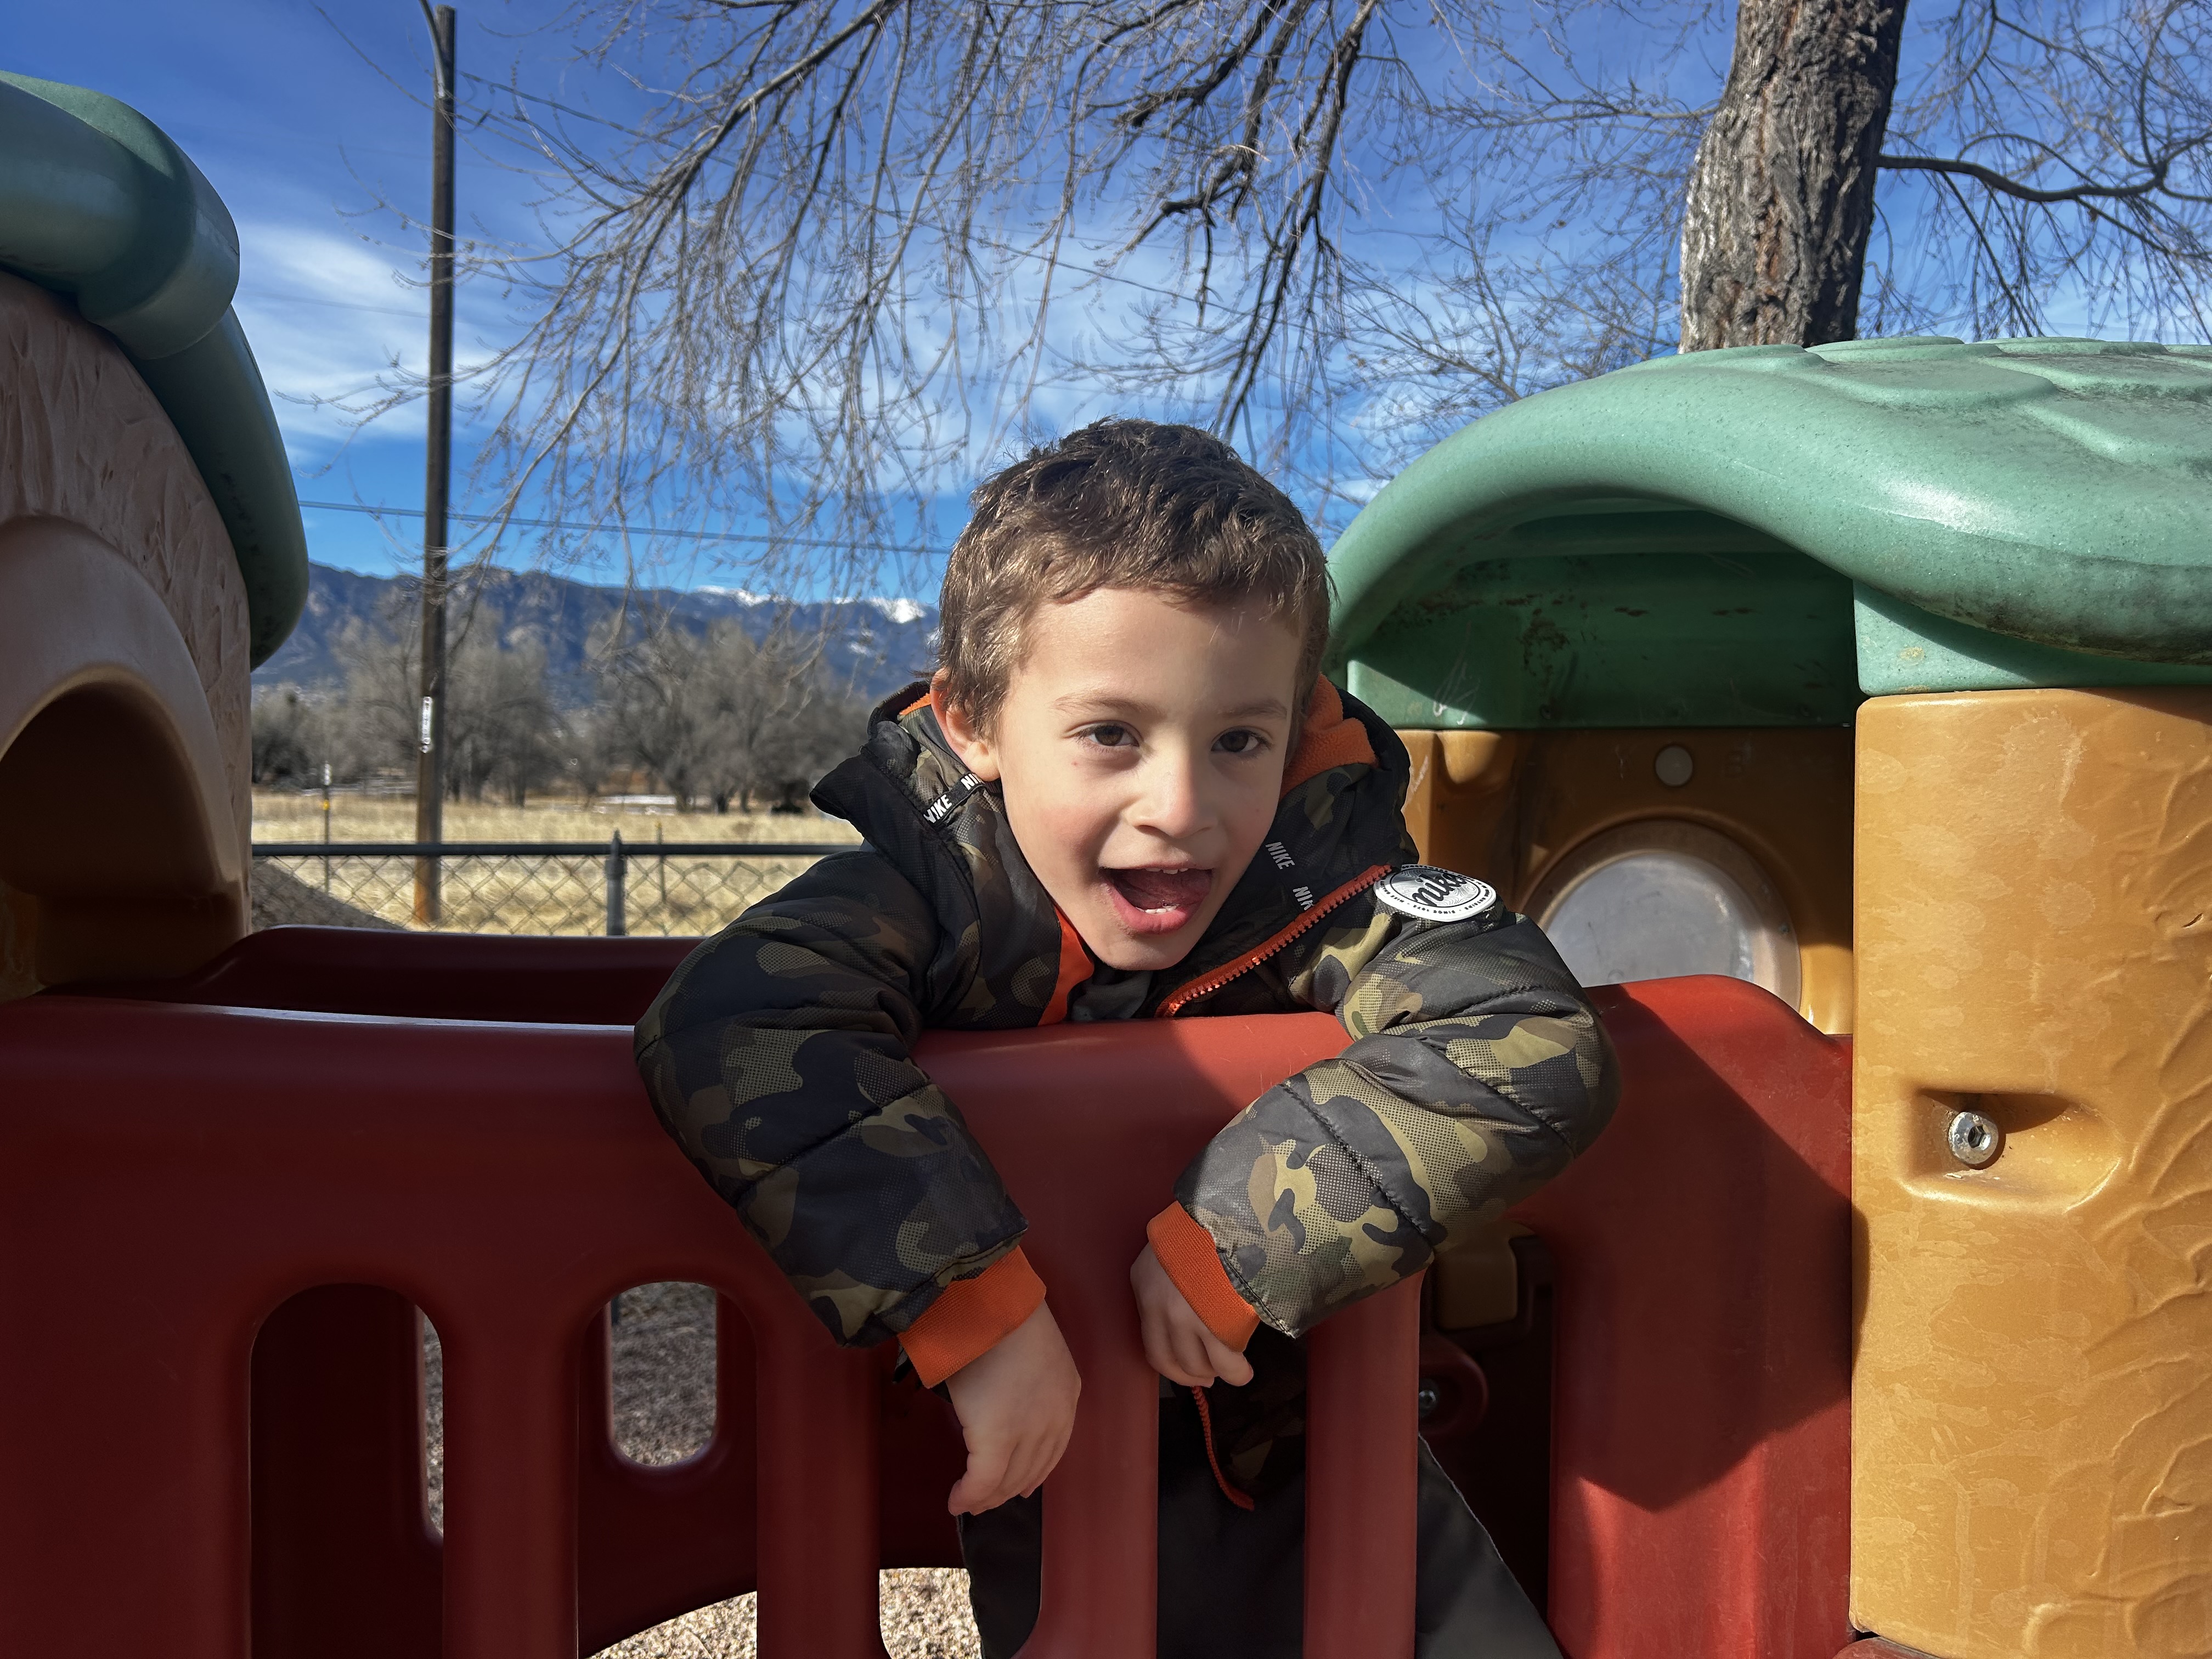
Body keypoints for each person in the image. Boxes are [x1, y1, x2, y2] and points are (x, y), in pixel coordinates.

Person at [633, 419, 1618, 1658]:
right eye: (1111, 735)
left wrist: (1236, 1235)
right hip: (1054, 1471)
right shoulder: (934, 891)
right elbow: (737, 1018)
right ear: (978, 727)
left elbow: (1526, 1031)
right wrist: (972, 1308)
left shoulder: (1312, 887)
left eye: (1239, 741)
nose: (1183, 807)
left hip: (1328, 1456)